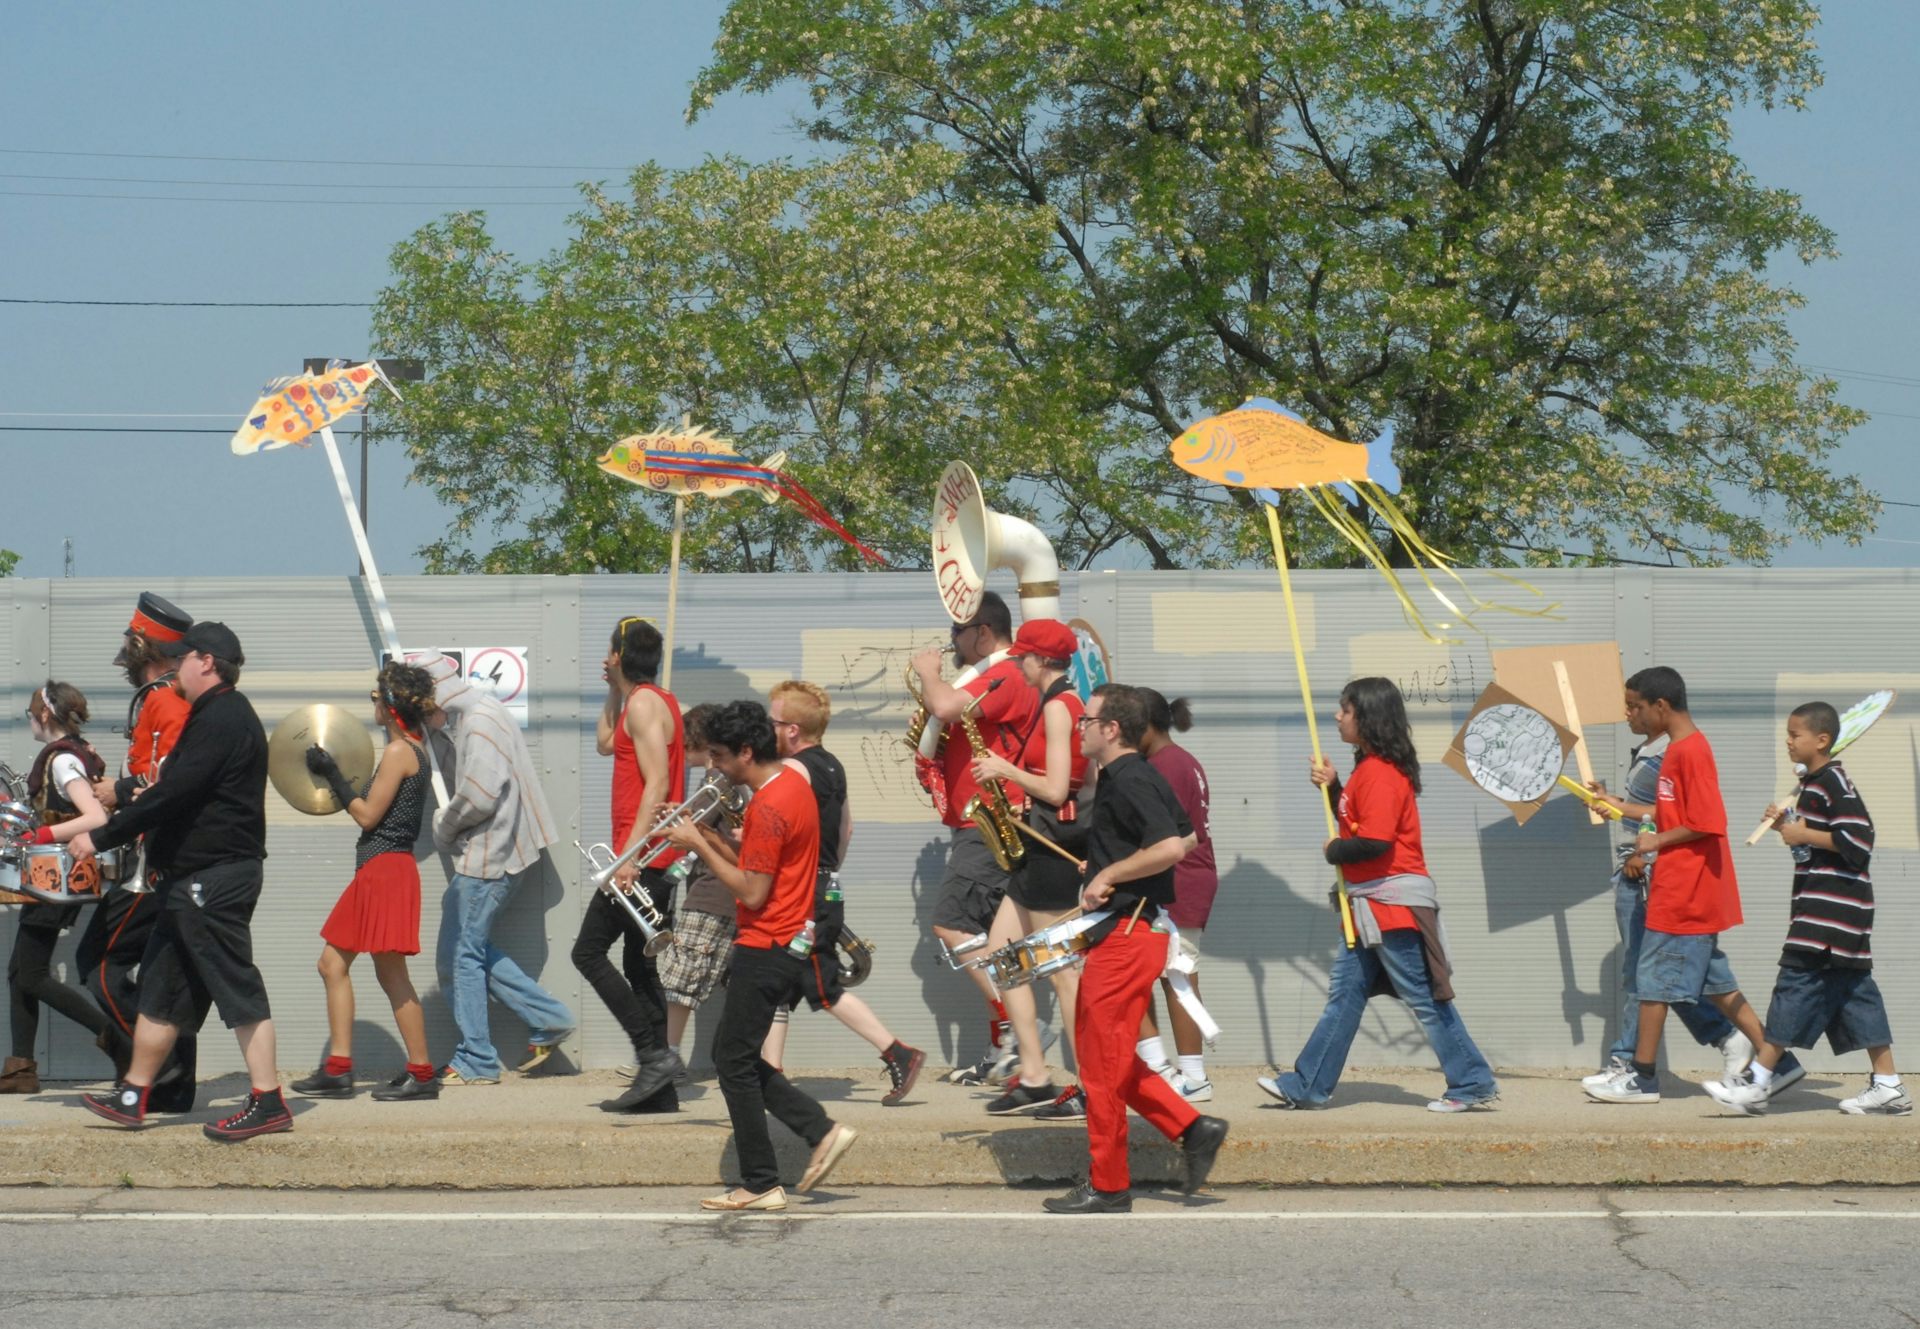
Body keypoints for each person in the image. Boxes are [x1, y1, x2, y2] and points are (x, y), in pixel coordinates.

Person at [73, 621, 289, 1141]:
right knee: (162, 992)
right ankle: (133, 1097)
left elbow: (173, 794)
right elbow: (172, 788)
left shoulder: (224, 718)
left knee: (236, 985)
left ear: (207, 662)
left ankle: (269, 1102)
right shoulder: (214, 715)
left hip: (213, 878)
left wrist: (101, 838)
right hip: (190, 879)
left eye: (182, 658)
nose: (174, 667)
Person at [1257, 677, 1499, 1113]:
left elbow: (1375, 842)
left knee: (1425, 999)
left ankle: (1472, 1081)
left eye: (1345, 709)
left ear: (1366, 717)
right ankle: (1307, 1084)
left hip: (1392, 908)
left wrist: (1334, 850)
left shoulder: (1382, 775)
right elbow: (1356, 822)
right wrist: (1333, 788)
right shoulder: (1368, 772)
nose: (1337, 716)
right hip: (1370, 907)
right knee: (1345, 997)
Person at [663, 701, 857, 1212]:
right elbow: (760, 868)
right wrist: (704, 835)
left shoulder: (769, 806)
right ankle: (817, 1132)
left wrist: (698, 848)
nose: (715, 767)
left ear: (747, 752)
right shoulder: (792, 788)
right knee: (738, 1056)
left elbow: (750, 893)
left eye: (721, 757)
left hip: (766, 940)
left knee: (733, 1061)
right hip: (782, 937)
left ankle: (762, 1180)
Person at [1042, 684, 1227, 1215]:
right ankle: (1192, 1130)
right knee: (1112, 1061)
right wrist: (1110, 860)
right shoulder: (1139, 774)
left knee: (1099, 1066)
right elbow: (1187, 836)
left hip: (1126, 935)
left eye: (1086, 721)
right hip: (1134, 931)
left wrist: (1113, 874)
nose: (1079, 728)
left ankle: (1109, 1184)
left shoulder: (1128, 778)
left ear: (1111, 729)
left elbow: (1171, 847)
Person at [1708, 701, 1907, 1115]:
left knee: (1795, 984)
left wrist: (1803, 831)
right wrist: (1791, 828)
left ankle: (1759, 1080)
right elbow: (1810, 853)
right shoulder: (1813, 785)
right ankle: (1887, 1084)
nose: (1788, 741)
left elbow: (1860, 840)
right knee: (1855, 996)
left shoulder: (1832, 781)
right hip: (1835, 912)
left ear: (1822, 740)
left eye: (1796, 734)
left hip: (1828, 915)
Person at [1585, 666, 1769, 1105]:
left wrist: (1653, 842)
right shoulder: (1677, 753)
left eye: (1635, 706)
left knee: (1651, 982)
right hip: (1674, 884)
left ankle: (1642, 1078)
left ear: (1661, 706)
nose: (1630, 713)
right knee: (1715, 984)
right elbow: (1670, 813)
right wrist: (1620, 805)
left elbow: (1708, 823)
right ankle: (1773, 1062)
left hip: (1685, 888)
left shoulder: (1690, 752)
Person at [760, 680, 924, 1107]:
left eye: (771, 721)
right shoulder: (832, 765)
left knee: (823, 984)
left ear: (792, 730)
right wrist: (826, 872)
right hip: (823, 883)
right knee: (780, 986)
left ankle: (899, 1053)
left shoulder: (793, 770)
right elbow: (846, 829)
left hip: (803, 894)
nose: (766, 728)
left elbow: (777, 831)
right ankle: (771, 1077)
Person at [425, 652, 574, 1088]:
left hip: (490, 855)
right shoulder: (484, 710)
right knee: (465, 950)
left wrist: (444, 829)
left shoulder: (478, 721)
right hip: (506, 851)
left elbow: (479, 795)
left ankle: (477, 1058)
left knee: (458, 956)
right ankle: (549, 1017)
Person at [292, 663, 439, 1102]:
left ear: (392, 707)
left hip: (386, 871)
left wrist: (331, 774)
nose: (373, 703)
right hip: (382, 870)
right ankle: (341, 1069)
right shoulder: (412, 750)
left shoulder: (399, 753)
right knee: (334, 965)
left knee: (388, 973)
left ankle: (420, 1073)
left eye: (377, 697)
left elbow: (367, 815)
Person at [910, 591, 1040, 1085]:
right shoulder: (994, 675)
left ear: (982, 633)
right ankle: (1004, 1044)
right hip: (979, 820)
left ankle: (1019, 1025)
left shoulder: (1004, 673)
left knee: (952, 925)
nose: (950, 646)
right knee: (992, 939)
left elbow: (944, 702)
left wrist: (928, 673)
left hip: (987, 820)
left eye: (955, 635)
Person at [77, 591, 197, 1108]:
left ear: (144, 645)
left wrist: (119, 791)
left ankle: (154, 1066)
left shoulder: (166, 699)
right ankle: (173, 1086)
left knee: (97, 962)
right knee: (161, 976)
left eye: (129, 640)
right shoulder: (160, 696)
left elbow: (175, 773)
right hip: (155, 855)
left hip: (153, 860)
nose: (123, 649)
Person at [966, 619, 1089, 1118]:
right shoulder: (1060, 704)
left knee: (1063, 974)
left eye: (1024, 658)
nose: (1018, 664)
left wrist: (1004, 770)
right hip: (1039, 847)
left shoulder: (1060, 708)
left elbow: (1060, 790)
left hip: (1054, 852)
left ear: (1041, 661)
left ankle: (1089, 1086)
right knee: (1000, 955)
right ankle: (1035, 1075)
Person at [579, 617, 686, 1112]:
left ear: (620, 654)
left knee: (588, 952)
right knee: (640, 969)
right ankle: (659, 1088)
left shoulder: (645, 703)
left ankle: (652, 1056)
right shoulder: (640, 702)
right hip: (649, 854)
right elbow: (605, 744)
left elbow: (658, 784)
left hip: (643, 857)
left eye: (608, 652)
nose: (603, 658)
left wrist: (630, 856)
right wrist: (614, 693)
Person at [1, 683, 111, 1093]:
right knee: (20, 972)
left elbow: (96, 818)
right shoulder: (72, 752)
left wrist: (43, 832)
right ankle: (21, 1069)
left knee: (29, 974)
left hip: (60, 876)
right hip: (54, 875)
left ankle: (117, 1038)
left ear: (44, 716)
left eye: (31, 713)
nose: (29, 719)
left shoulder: (63, 759)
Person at [1136, 688, 1217, 1102]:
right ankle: (1172, 1070)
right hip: (1187, 878)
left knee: (1178, 978)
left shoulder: (1164, 766)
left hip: (1179, 880)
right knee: (1166, 976)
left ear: (1147, 725)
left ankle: (1191, 1075)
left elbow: (1159, 833)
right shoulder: (1180, 760)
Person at [656, 704, 740, 1073]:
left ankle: (668, 1058)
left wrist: (665, 820)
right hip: (720, 890)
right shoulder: (720, 783)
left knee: (680, 977)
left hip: (711, 891)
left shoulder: (716, 783)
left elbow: (687, 835)